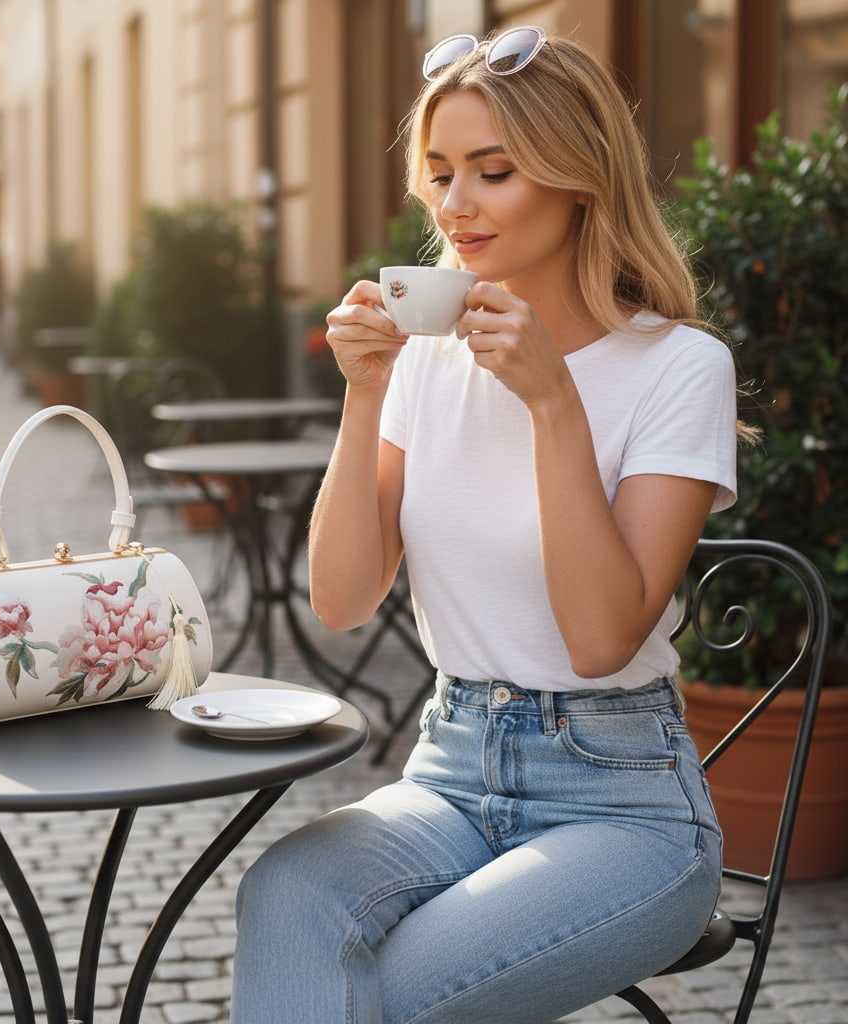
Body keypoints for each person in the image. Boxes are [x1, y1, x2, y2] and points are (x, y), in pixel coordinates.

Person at [230, 26, 738, 1024]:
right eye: (440, 172)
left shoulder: (679, 368)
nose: (454, 204)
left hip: (623, 802)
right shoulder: (423, 363)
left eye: (492, 172)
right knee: (285, 895)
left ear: (576, 177)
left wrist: (555, 404)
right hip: (452, 765)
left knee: (395, 992)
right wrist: (364, 394)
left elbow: (600, 638)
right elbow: (338, 600)